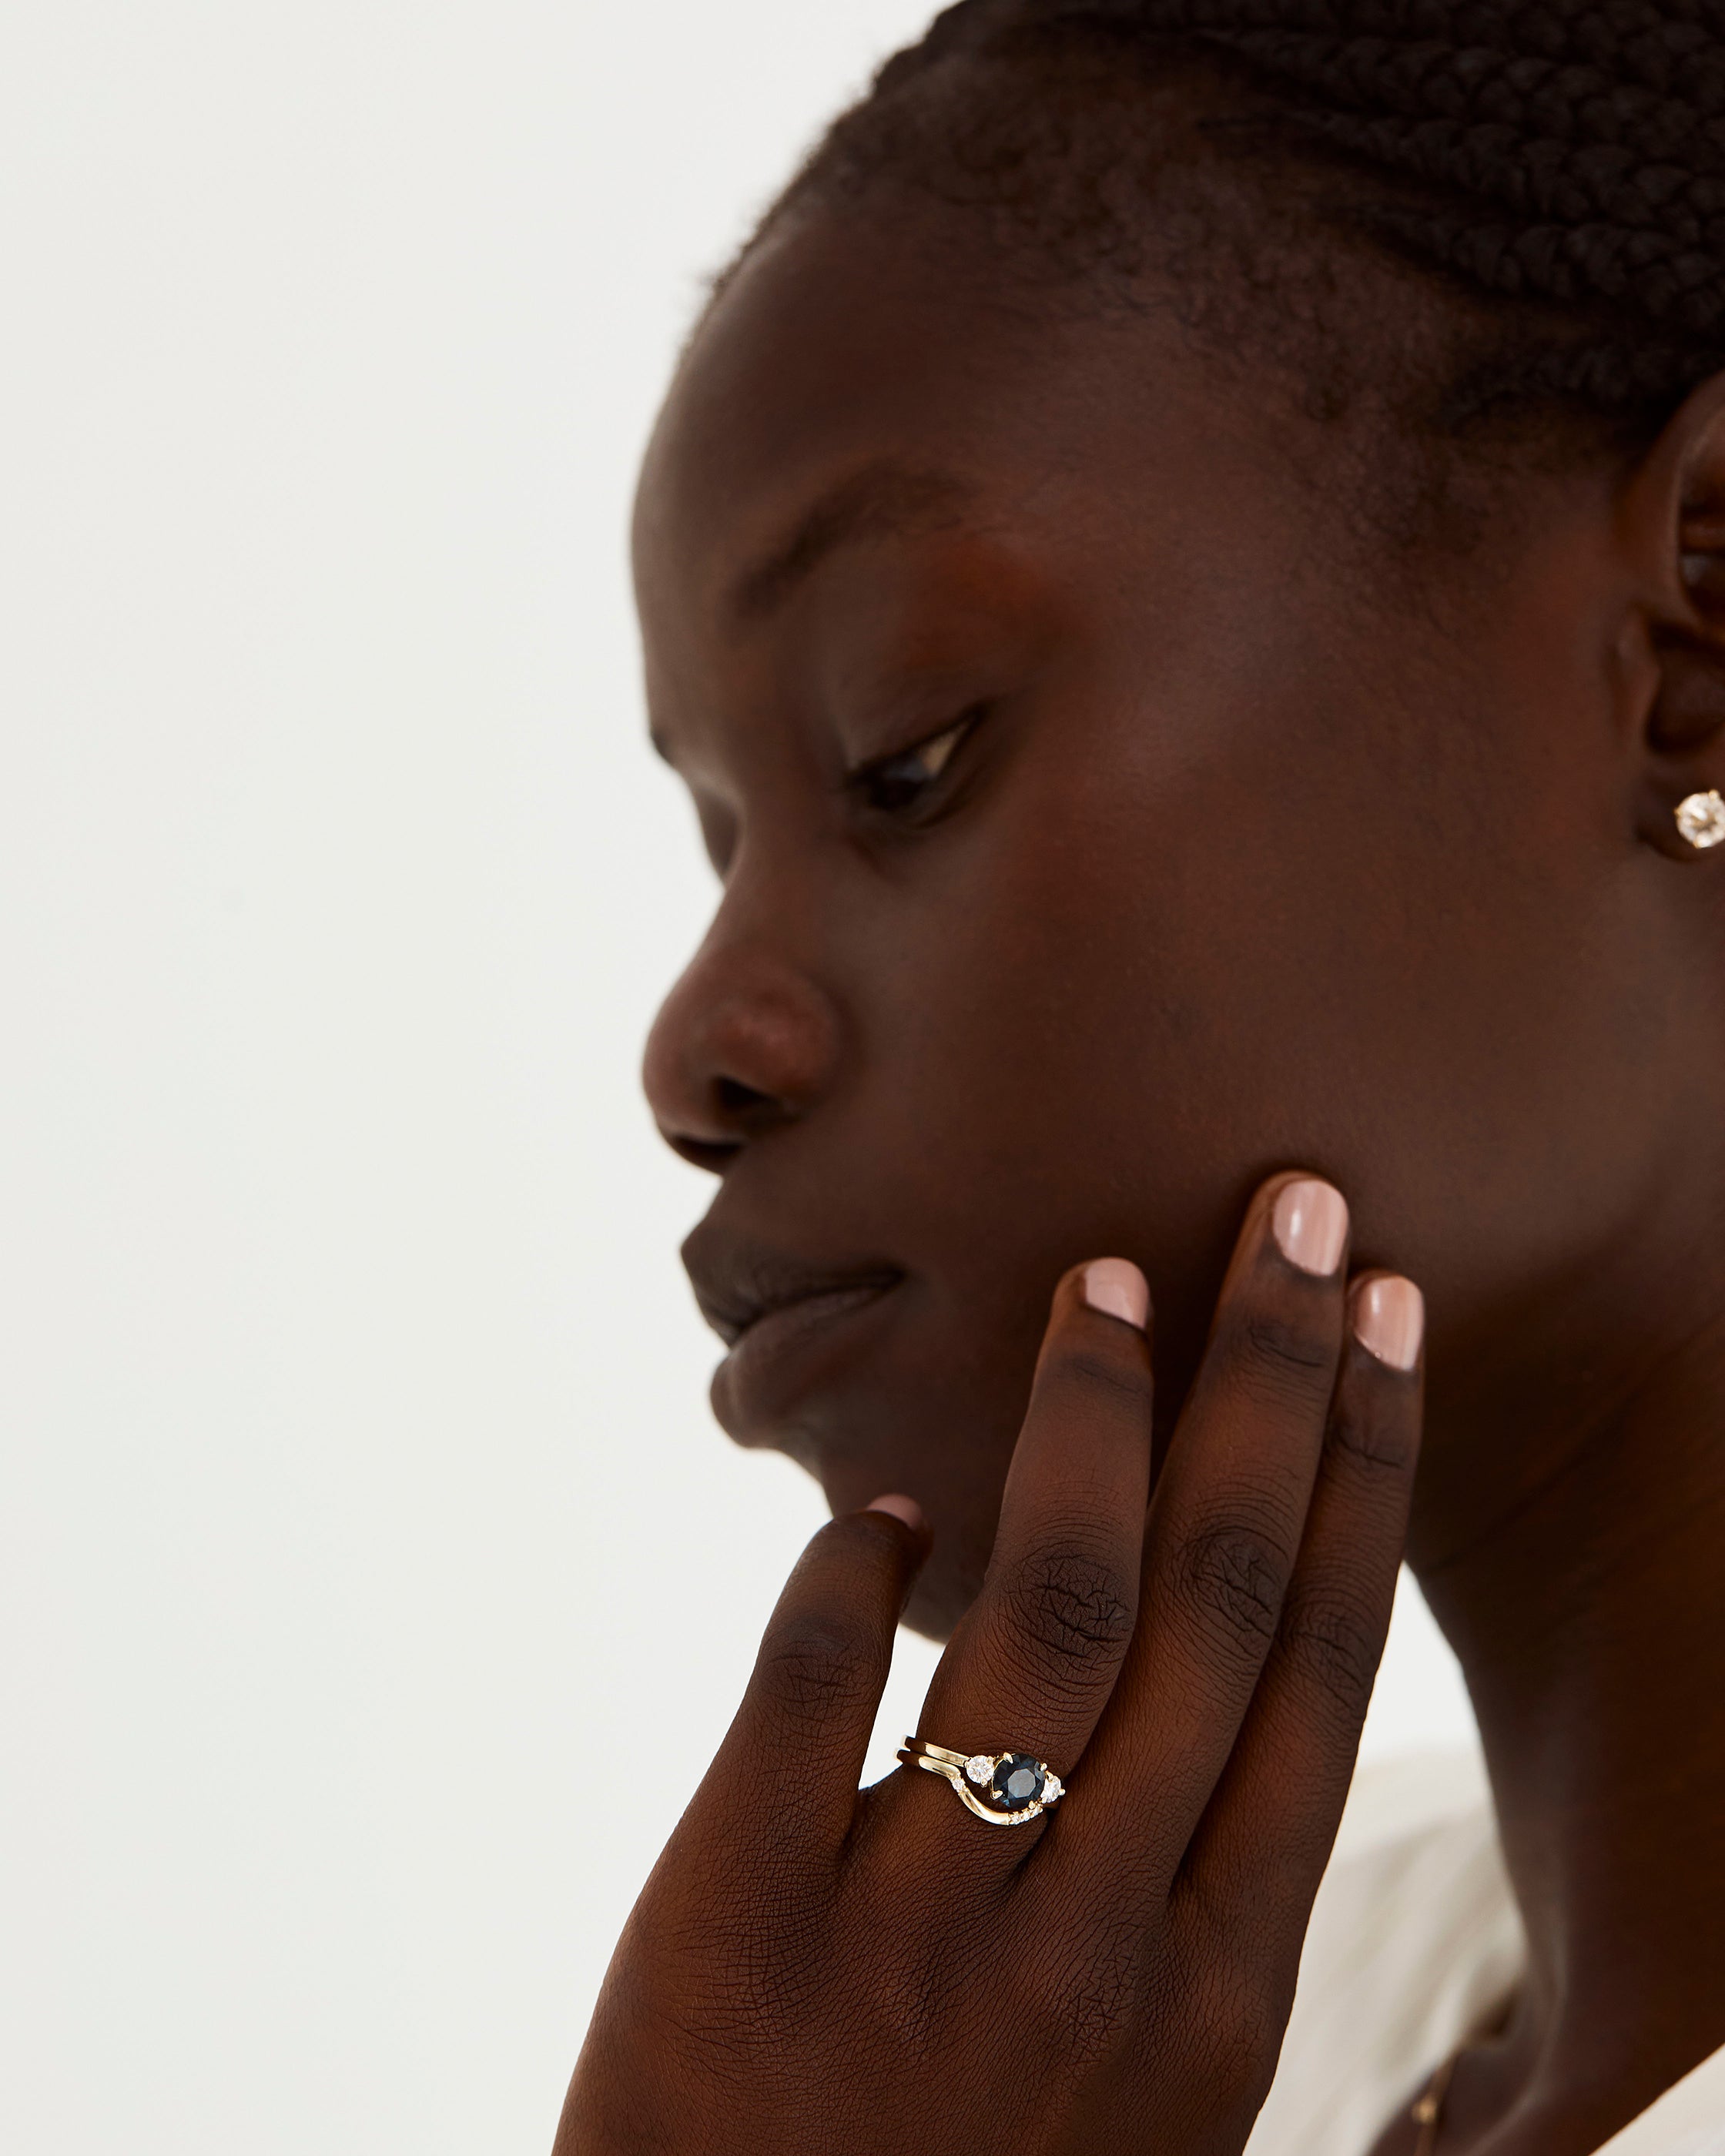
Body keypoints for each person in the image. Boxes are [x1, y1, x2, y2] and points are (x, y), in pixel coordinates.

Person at [561, 5, 1725, 2151]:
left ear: (1693, 638)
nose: (695, 1048)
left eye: (903, 758)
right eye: (721, 847)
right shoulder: (1086, 2074)